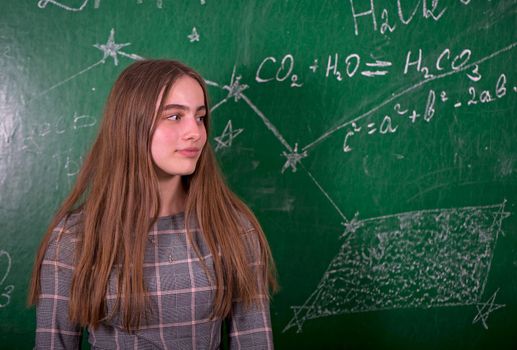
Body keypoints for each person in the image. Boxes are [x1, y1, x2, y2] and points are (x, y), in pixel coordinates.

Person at [28, 59, 277, 349]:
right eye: (174, 116)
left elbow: (255, 342)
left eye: (200, 117)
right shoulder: (74, 237)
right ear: (131, 124)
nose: (195, 132)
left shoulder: (233, 229)